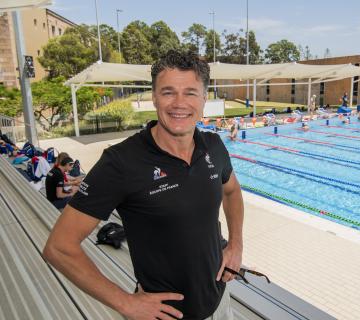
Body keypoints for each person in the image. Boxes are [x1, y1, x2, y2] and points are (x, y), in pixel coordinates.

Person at [43, 50, 244, 320]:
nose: (179, 103)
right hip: (163, 314)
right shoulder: (121, 162)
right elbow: (59, 247)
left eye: (191, 92)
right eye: (168, 92)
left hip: (220, 301)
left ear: (205, 99)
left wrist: (236, 245)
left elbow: (231, 192)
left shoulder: (214, 146)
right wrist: (126, 303)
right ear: (154, 96)